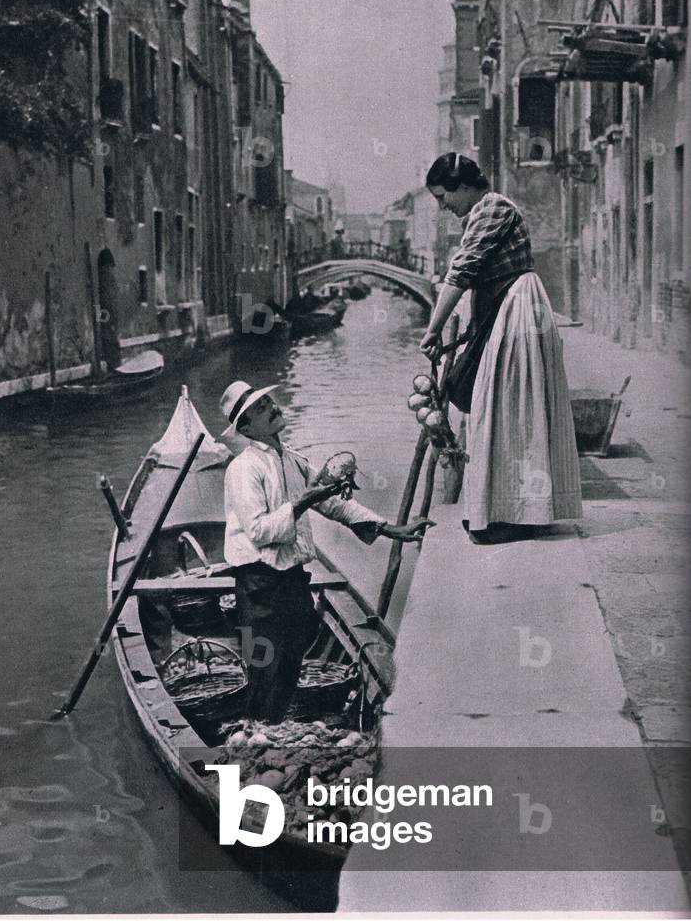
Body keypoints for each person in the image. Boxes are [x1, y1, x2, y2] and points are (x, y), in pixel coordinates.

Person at [219, 380, 433, 722]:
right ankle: (254, 742)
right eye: (261, 409)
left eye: (270, 402)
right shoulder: (243, 468)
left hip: (290, 579)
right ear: (245, 428)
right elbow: (259, 532)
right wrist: (306, 500)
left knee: (292, 662)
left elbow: (332, 504)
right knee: (265, 673)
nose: (274, 407)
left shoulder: (291, 458)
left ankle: (273, 731)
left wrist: (387, 528)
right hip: (258, 586)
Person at [419, 152, 582, 544]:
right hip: (502, 307)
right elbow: (466, 274)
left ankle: (519, 513)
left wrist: (433, 328)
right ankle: (499, 509)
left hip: (517, 309)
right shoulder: (481, 212)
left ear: (463, 186)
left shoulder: (494, 207)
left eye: (444, 197)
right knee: (501, 409)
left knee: (514, 408)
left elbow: (462, 271)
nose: (444, 207)